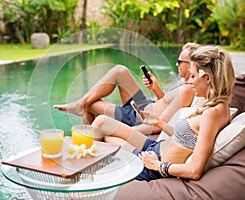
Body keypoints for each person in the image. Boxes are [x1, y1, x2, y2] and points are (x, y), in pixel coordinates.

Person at [91, 45, 236, 181]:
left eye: (192, 76)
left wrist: (156, 165)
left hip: (150, 164)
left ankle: (86, 179)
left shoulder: (213, 114)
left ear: (208, 78)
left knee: (105, 136)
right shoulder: (218, 106)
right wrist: (159, 123)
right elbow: (189, 139)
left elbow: (194, 170)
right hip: (154, 146)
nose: (189, 82)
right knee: (102, 122)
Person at [53, 43, 202, 135]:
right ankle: (81, 107)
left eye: (179, 61)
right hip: (144, 105)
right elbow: (165, 103)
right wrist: (155, 88)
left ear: (190, 65)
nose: (176, 64)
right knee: (120, 71)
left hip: (137, 119)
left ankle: (87, 141)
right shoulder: (184, 84)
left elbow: (158, 125)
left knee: (90, 104)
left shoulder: (188, 90)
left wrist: (123, 132)